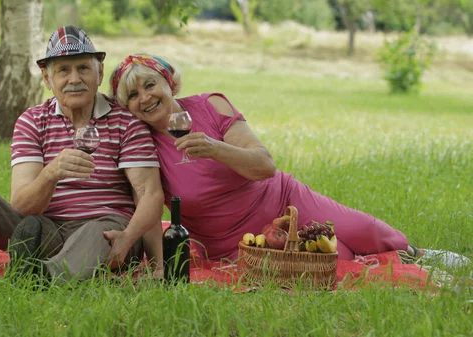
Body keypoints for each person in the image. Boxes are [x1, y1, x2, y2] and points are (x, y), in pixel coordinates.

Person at [109, 54, 413, 262]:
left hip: (285, 200)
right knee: (340, 257)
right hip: (232, 241)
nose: (145, 98)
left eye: (150, 85)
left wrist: (216, 149)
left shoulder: (210, 105)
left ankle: (423, 257)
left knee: (369, 233)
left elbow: (265, 166)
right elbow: (147, 200)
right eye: (132, 96)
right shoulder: (141, 142)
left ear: (169, 83)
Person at [0, 27, 165, 282]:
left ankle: (42, 277)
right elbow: (23, 206)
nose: (74, 79)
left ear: (99, 72)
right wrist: (51, 173)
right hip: (46, 231)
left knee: (101, 230)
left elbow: (149, 194)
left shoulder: (127, 122)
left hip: (109, 235)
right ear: (47, 79)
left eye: (83, 68)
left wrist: (153, 261)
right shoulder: (32, 121)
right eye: (63, 70)